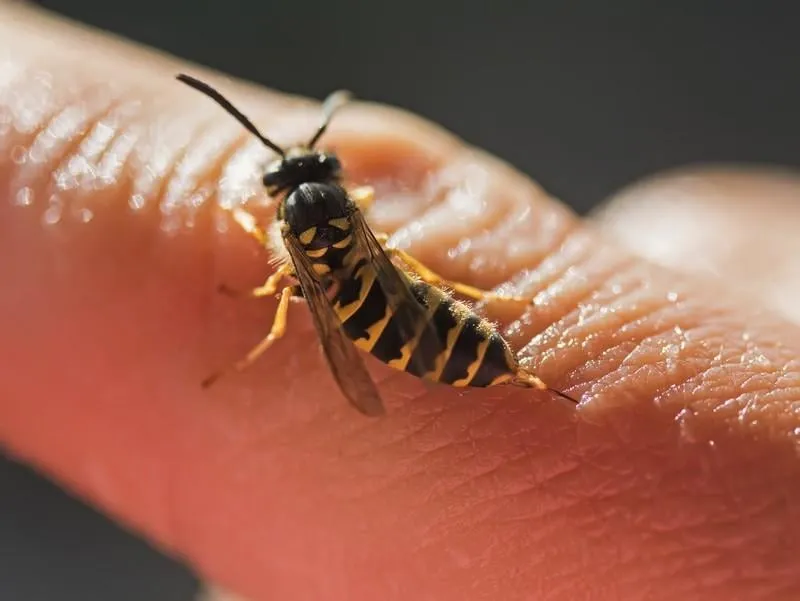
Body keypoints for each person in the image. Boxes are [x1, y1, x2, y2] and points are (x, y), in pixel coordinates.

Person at [1, 3, 799, 601]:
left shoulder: (292, 226)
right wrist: (469, 299)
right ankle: (505, 365)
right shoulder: (339, 214)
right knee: (396, 281)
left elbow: (293, 289)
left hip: (403, 329)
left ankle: (501, 365)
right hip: (425, 323)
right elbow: (385, 263)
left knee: (357, 289)